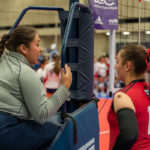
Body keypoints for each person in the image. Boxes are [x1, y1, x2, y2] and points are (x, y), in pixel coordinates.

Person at [0, 26, 72, 150]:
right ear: (23, 48)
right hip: (5, 131)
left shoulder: (3, 60)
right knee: (61, 130)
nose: (40, 50)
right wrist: (65, 87)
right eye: (37, 45)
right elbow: (42, 115)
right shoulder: (25, 72)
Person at [108, 44, 150, 150]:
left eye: (117, 62)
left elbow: (129, 134)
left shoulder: (123, 96)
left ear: (127, 66)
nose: (115, 66)